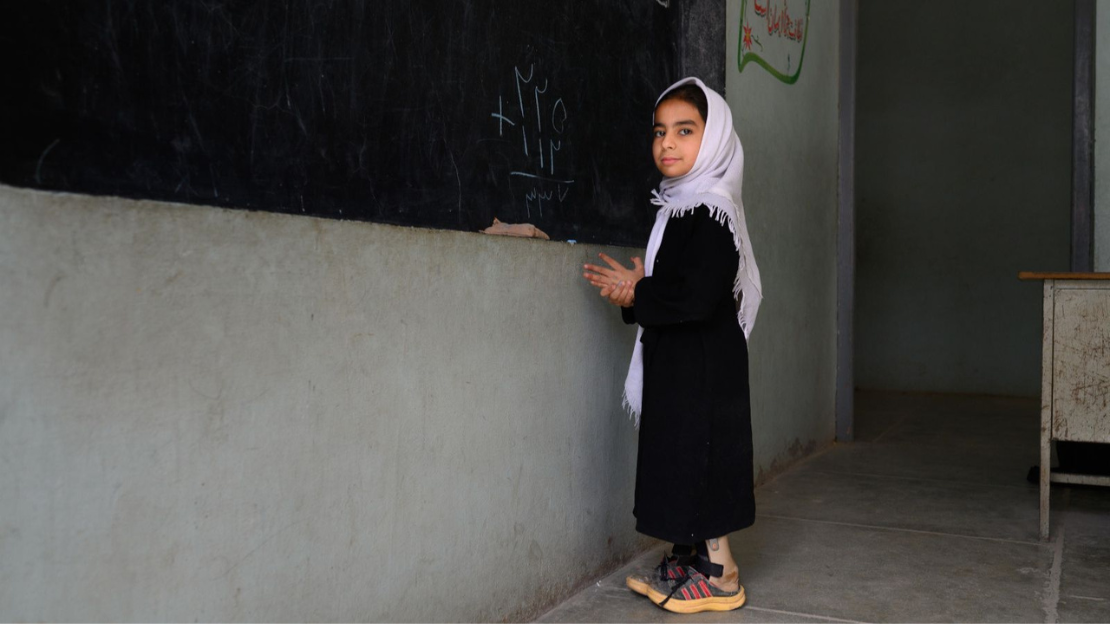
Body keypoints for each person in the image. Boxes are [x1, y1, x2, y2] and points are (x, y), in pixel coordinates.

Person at [581, 77, 762, 614]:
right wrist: (638, 292)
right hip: (682, 362)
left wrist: (642, 290)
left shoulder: (711, 210)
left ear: (714, 140)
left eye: (685, 131)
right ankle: (687, 559)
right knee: (677, 457)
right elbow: (674, 293)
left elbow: (699, 296)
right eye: (660, 131)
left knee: (701, 459)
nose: (667, 143)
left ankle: (721, 572)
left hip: (705, 367)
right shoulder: (680, 207)